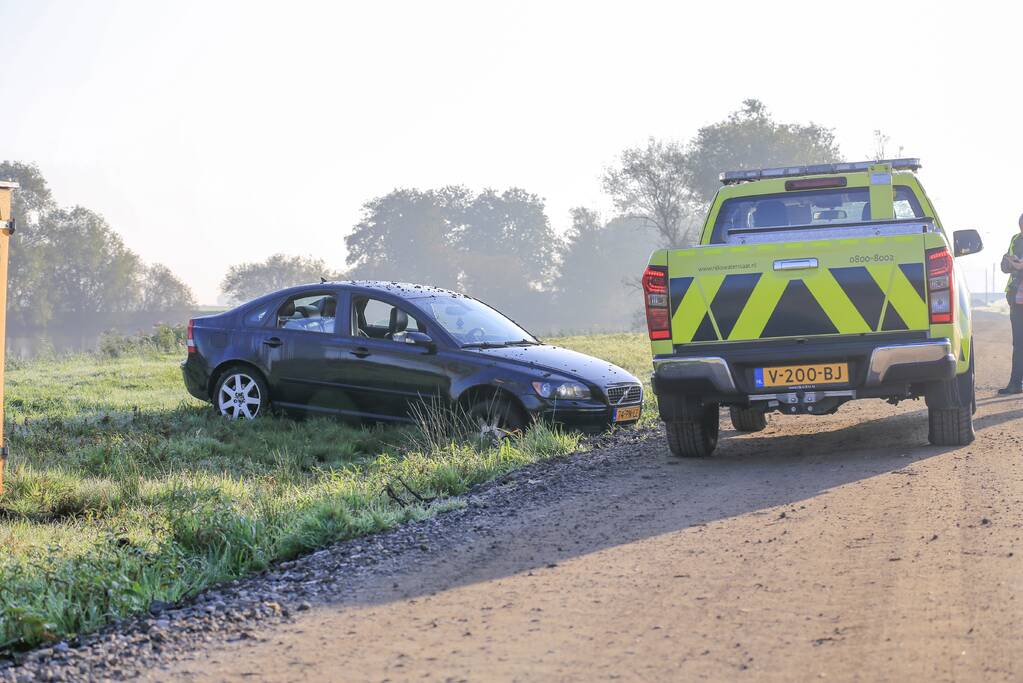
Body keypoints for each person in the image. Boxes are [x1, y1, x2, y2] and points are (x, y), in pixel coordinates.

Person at [998, 213, 1023, 394]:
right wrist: (1010, 263)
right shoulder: (1016, 239)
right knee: (1019, 344)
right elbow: (1005, 264)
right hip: (1017, 298)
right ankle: (1015, 384)